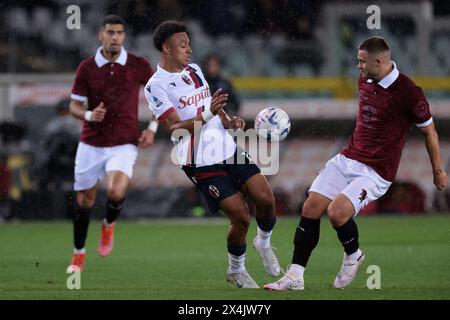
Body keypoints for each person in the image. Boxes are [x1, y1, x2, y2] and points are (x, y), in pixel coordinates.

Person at [264, 36, 448, 291]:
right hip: (347, 159)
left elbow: (430, 132)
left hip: (376, 172)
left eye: (362, 61)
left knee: (337, 212)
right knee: (311, 206)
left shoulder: (409, 92)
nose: (358, 66)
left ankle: (353, 255)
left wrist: (437, 170)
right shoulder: (365, 80)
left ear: (380, 61)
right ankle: (295, 276)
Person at [145, 20, 280, 288]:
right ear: (166, 48)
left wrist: (228, 120)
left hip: (226, 146)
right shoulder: (155, 86)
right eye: (183, 44)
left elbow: (212, 107)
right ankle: (237, 270)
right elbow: (174, 128)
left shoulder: (194, 71)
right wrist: (208, 112)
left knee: (265, 198)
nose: (189, 49)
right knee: (241, 216)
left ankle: (263, 244)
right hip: (198, 159)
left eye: (189, 44)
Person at [66, 15, 157, 273]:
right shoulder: (87, 67)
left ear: (124, 36)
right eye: (110, 32)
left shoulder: (138, 65)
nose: (115, 37)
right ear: (101, 35)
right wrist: (87, 115)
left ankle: (108, 224)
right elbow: (73, 105)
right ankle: (78, 253)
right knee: (84, 200)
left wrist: (151, 128)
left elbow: (157, 98)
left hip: (124, 142)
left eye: (119, 32)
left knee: (116, 192)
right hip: (91, 143)